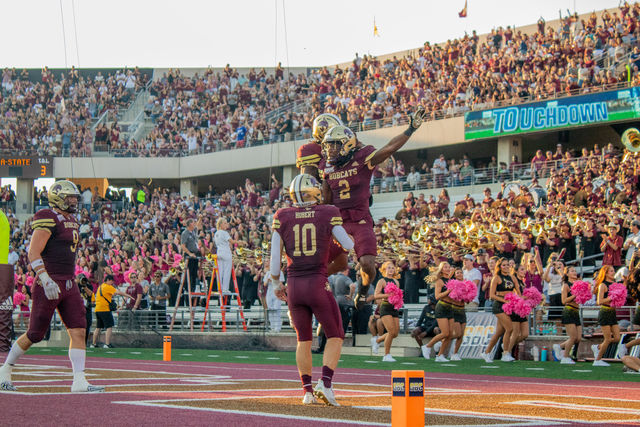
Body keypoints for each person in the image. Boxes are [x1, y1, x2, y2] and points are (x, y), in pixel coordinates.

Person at [0, 180, 105, 392]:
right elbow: (33, 253)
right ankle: (5, 369)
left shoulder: (72, 220)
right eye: (70, 197)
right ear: (58, 197)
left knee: (78, 328)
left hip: (68, 282)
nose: (74, 200)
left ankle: (79, 380)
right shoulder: (48, 217)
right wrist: (45, 278)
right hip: (49, 281)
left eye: (75, 197)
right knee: (35, 334)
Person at [321, 107, 426, 310]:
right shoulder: (327, 167)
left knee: (368, 264)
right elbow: (326, 201)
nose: (330, 150)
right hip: (337, 222)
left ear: (347, 144)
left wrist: (410, 129)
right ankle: (314, 288)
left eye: (334, 145)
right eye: (329, 146)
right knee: (321, 261)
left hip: (360, 219)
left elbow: (388, 148)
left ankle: (361, 290)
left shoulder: (362, 157)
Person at [269, 174, 354, 406]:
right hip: (317, 282)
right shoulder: (327, 212)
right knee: (336, 334)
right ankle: (325, 384)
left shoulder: (282, 215)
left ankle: (307, 391)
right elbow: (347, 245)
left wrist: (276, 283)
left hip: (294, 285)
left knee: (303, 339)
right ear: (313, 191)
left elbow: (275, 258)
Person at [481, 258, 517, 363]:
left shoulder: (511, 277)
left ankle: (486, 352)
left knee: (499, 332)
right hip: (499, 306)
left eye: (507, 265)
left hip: (508, 306)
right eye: (504, 265)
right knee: (509, 328)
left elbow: (516, 292)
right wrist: (504, 301)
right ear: (499, 266)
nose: (506, 267)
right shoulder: (496, 278)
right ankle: (505, 353)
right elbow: (492, 295)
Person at [422, 262, 456, 362]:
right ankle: (427, 346)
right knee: (445, 333)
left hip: (450, 307)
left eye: (449, 266)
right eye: (445, 267)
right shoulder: (439, 281)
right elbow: (437, 296)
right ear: (441, 269)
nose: (448, 268)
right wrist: (448, 291)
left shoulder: (450, 280)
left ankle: (440, 355)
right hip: (441, 307)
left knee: (450, 335)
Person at [92, 274, 133, 348]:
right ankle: (107, 344)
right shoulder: (108, 287)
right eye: (111, 281)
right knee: (109, 326)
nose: (112, 283)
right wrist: (128, 295)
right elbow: (118, 292)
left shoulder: (100, 287)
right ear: (108, 280)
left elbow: (109, 294)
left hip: (98, 309)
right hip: (105, 309)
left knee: (98, 327)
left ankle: (93, 344)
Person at [592, 265, 621, 367]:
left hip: (612, 312)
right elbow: (599, 301)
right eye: (611, 271)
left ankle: (598, 347)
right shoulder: (603, 285)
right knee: (608, 339)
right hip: (605, 312)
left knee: (617, 338)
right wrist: (610, 298)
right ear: (606, 273)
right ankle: (597, 360)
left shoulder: (614, 284)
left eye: (613, 271)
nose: (613, 272)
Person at [373, 261, 401, 362]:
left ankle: (378, 340)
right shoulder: (382, 281)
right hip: (385, 307)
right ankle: (386, 355)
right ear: (384, 269)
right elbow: (376, 295)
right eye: (388, 268)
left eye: (392, 268)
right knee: (391, 331)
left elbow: (397, 294)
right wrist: (387, 296)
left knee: (395, 333)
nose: (391, 270)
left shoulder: (396, 281)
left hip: (394, 307)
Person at [556, 266, 581, 364]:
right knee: (573, 337)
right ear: (567, 274)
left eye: (575, 270)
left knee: (578, 338)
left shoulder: (578, 283)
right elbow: (564, 300)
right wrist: (575, 295)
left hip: (576, 311)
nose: (574, 272)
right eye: (572, 271)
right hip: (569, 310)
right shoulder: (566, 285)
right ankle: (565, 357)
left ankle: (560, 346)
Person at [214, 217, 239, 295]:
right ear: (221, 224)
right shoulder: (225, 233)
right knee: (227, 271)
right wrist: (240, 242)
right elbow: (231, 241)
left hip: (219, 252)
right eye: (225, 223)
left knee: (220, 271)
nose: (227, 224)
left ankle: (219, 288)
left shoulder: (216, 233)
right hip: (226, 252)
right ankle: (225, 289)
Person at [180, 218, 201, 302]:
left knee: (194, 273)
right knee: (188, 273)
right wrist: (189, 253)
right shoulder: (185, 233)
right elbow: (183, 246)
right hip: (189, 254)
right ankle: (187, 288)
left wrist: (201, 217)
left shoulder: (194, 231)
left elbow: (198, 225)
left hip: (195, 254)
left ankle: (193, 289)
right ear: (189, 225)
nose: (194, 224)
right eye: (193, 223)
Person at [76, 274, 94, 345]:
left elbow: (90, 294)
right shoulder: (75, 286)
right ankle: (77, 343)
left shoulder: (88, 286)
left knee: (87, 325)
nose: (82, 280)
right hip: (77, 309)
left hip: (87, 309)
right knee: (78, 327)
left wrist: (84, 286)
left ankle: (84, 343)